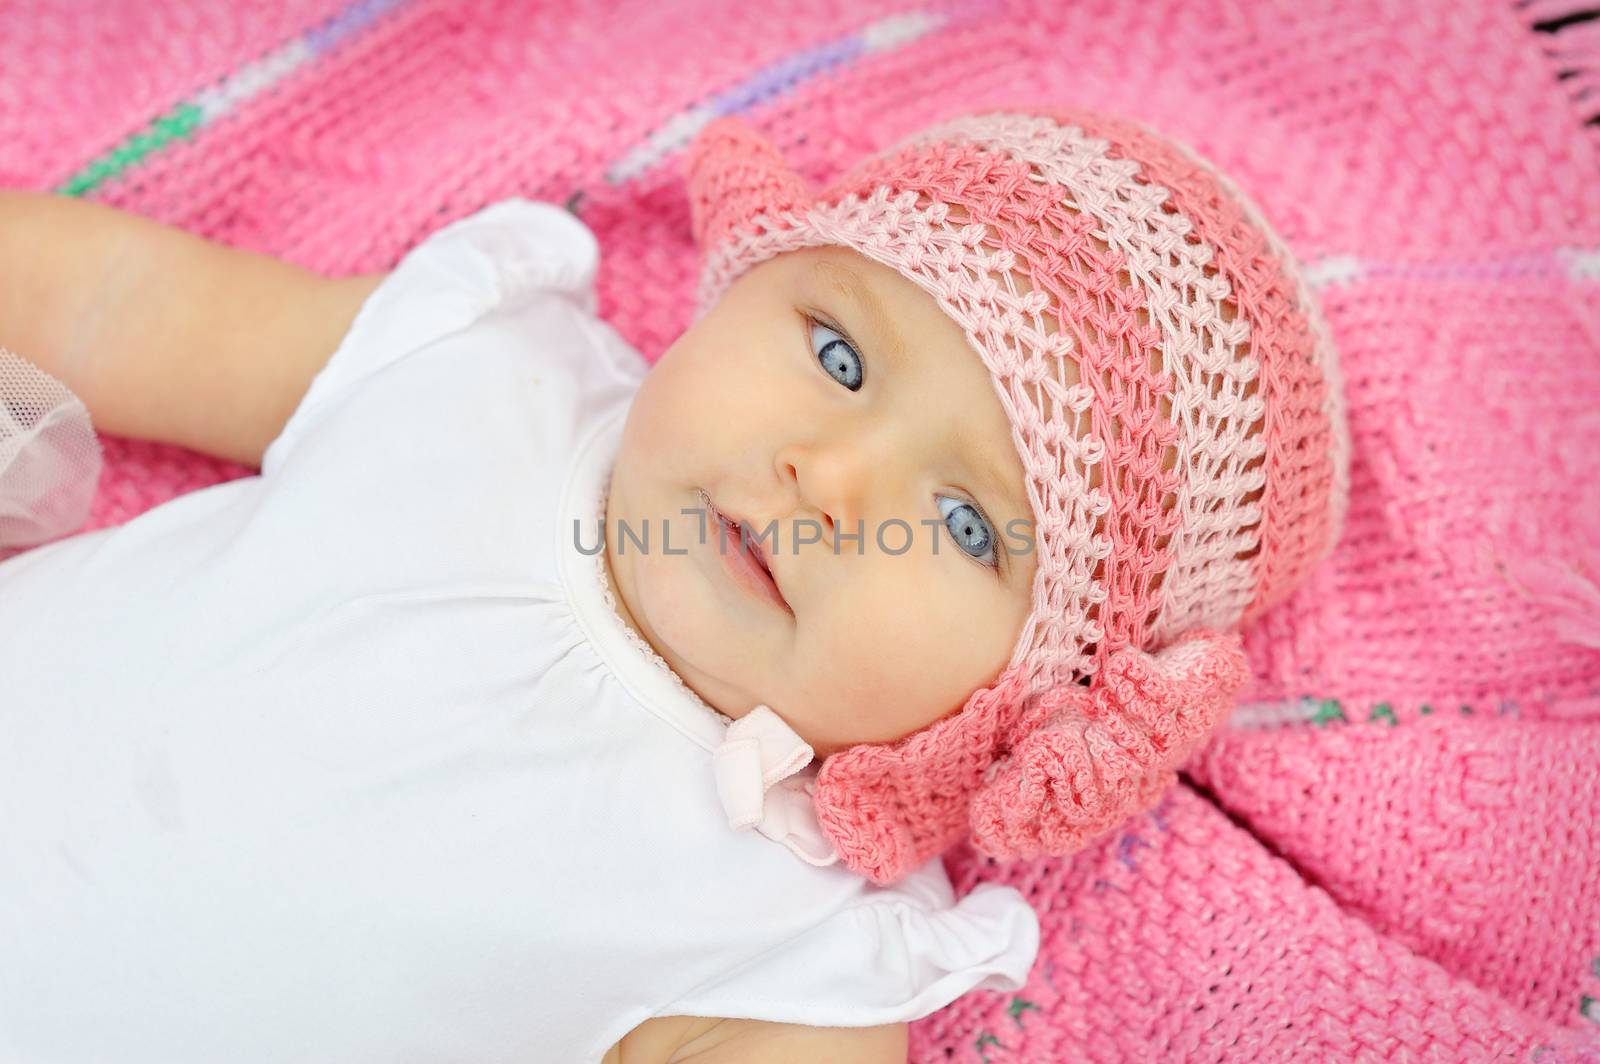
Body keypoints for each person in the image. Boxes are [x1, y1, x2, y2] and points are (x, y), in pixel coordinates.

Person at [0, 105, 1347, 1063]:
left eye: (967, 523)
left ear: (1033, 704)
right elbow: (124, 303)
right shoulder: (489, 377)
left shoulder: (783, 941)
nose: (828, 475)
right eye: (835, 355)